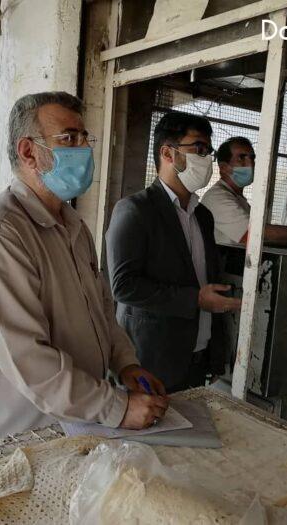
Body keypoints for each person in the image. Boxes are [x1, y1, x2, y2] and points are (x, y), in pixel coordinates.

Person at [0, 92, 168, 449]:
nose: (83, 150)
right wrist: (115, 407)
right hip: (12, 440)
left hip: (73, 428)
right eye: (68, 139)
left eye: (83, 138)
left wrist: (126, 364)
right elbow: (27, 358)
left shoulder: (74, 226)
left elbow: (102, 315)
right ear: (29, 152)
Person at [106, 111, 242, 393]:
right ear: (168, 153)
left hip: (197, 356)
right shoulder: (135, 210)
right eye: (199, 149)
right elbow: (123, 286)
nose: (206, 159)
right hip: (150, 360)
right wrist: (196, 299)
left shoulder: (202, 215)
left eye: (208, 151)